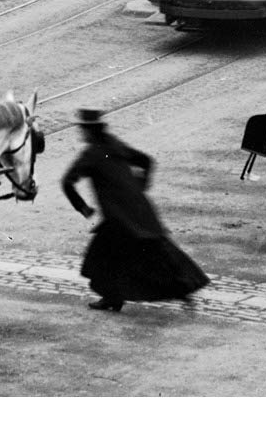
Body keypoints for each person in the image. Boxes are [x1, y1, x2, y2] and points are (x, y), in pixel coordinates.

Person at [61, 109, 207, 311]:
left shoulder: (91, 153)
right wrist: (141, 185)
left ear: (87, 131)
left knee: (103, 256)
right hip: (141, 210)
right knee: (156, 252)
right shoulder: (114, 143)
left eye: (82, 129)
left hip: (119, 218)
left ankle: (114, 297)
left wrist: (83, 208)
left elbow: (66, 182)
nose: (80, 133)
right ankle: (183, 288)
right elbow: (146, 160)